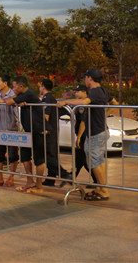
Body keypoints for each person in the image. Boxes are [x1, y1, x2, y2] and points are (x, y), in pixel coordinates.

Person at [57, 68, 118, 201]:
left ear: (90, 78)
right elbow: (115, 103)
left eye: (86, 77)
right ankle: (100, 188)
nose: (85, 79)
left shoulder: (95, 91)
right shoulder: (103, 90)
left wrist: (66, 101)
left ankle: (104, 190)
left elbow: (84, 102)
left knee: (93, 161)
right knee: (99, 160)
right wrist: (104, 115)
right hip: (101, 129)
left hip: (96, 131)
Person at [0, 75, 46, 194]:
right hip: (27, 131)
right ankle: (29, 182)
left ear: (21, 86)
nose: (13, 89)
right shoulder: (23, 95)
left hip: (38, 130)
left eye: (15, 87)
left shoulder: (28, 94)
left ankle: (39, 186)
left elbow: (9, 101)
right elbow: (13, 98)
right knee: (25, 156)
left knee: (38, 159)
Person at [40, 79, 71, 186]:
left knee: (48, 155)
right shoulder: (48, 97)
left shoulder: (47, 98)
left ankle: (64, 174)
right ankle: (51, 178)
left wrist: (41, 128)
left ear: (42, 86)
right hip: (51, 130)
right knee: (50, 155)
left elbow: (46, 116)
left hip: (49, 131)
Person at [71, 84, 97, 186]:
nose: (76, 94)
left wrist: (79, 137)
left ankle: (72, 177)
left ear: (85, 92)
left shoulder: (84, 105)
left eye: (78, 91)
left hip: (84, 135)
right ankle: (72, 177)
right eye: (76, 92)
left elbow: (83, 122)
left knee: (82, 159)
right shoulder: (81, 105)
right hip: (84, 135)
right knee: (81, 159)